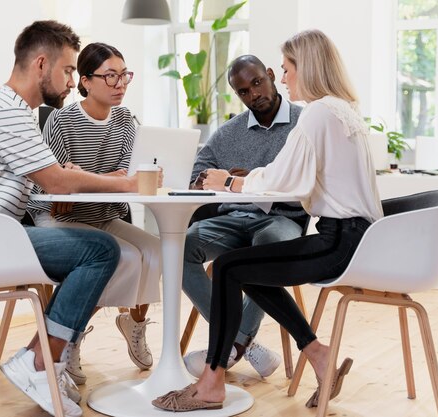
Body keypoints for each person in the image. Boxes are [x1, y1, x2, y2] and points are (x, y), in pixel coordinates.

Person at [153, 29, 383, 412]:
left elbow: (285, 179)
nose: (286, 76)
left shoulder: (318, 114)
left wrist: (229, 181)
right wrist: (240, 181)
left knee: (228, 267)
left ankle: (211, 383)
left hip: (339, 241)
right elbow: (292, 176)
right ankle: (317, 355)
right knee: (244, 269)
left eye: (287, 68)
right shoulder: (341, 109)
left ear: (304, 68)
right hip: (356, 238)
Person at [0, 21, 138, 417]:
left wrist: (66, 177)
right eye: (67, 71)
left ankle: (43, 359)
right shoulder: (4, 109)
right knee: (100, 250)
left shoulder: (8, 108)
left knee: (98, 248)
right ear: (41, 64)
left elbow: (45, 178)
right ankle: (41, 362)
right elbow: (54, 180)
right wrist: (120, 184)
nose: (70, 82)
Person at [27, 42, 161, 383]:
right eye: (110, 76)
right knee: (123, 258)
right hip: (61, 218)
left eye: (124, 75)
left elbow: (125, 178)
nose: (120, 84)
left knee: (157, 250)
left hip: (104, 215)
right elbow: (49, 188)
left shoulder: (127, 122)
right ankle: (71, 337)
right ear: (85, 81)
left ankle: (135, 323)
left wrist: (81, 179)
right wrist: (87, 181)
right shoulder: (61, 120)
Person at [182, 54, 308, 378]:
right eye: (243, 91)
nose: (253, 94)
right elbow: (196, 173)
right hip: (233, 219)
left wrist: (250, 178)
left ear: (269, 75)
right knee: (178, 248)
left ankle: (231, 344)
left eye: (257, 83)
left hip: (282, 220)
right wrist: (212, 177)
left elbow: (309, 178)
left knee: (261, 254)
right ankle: (242, 341)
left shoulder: (303, 123)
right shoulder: (228, 133)